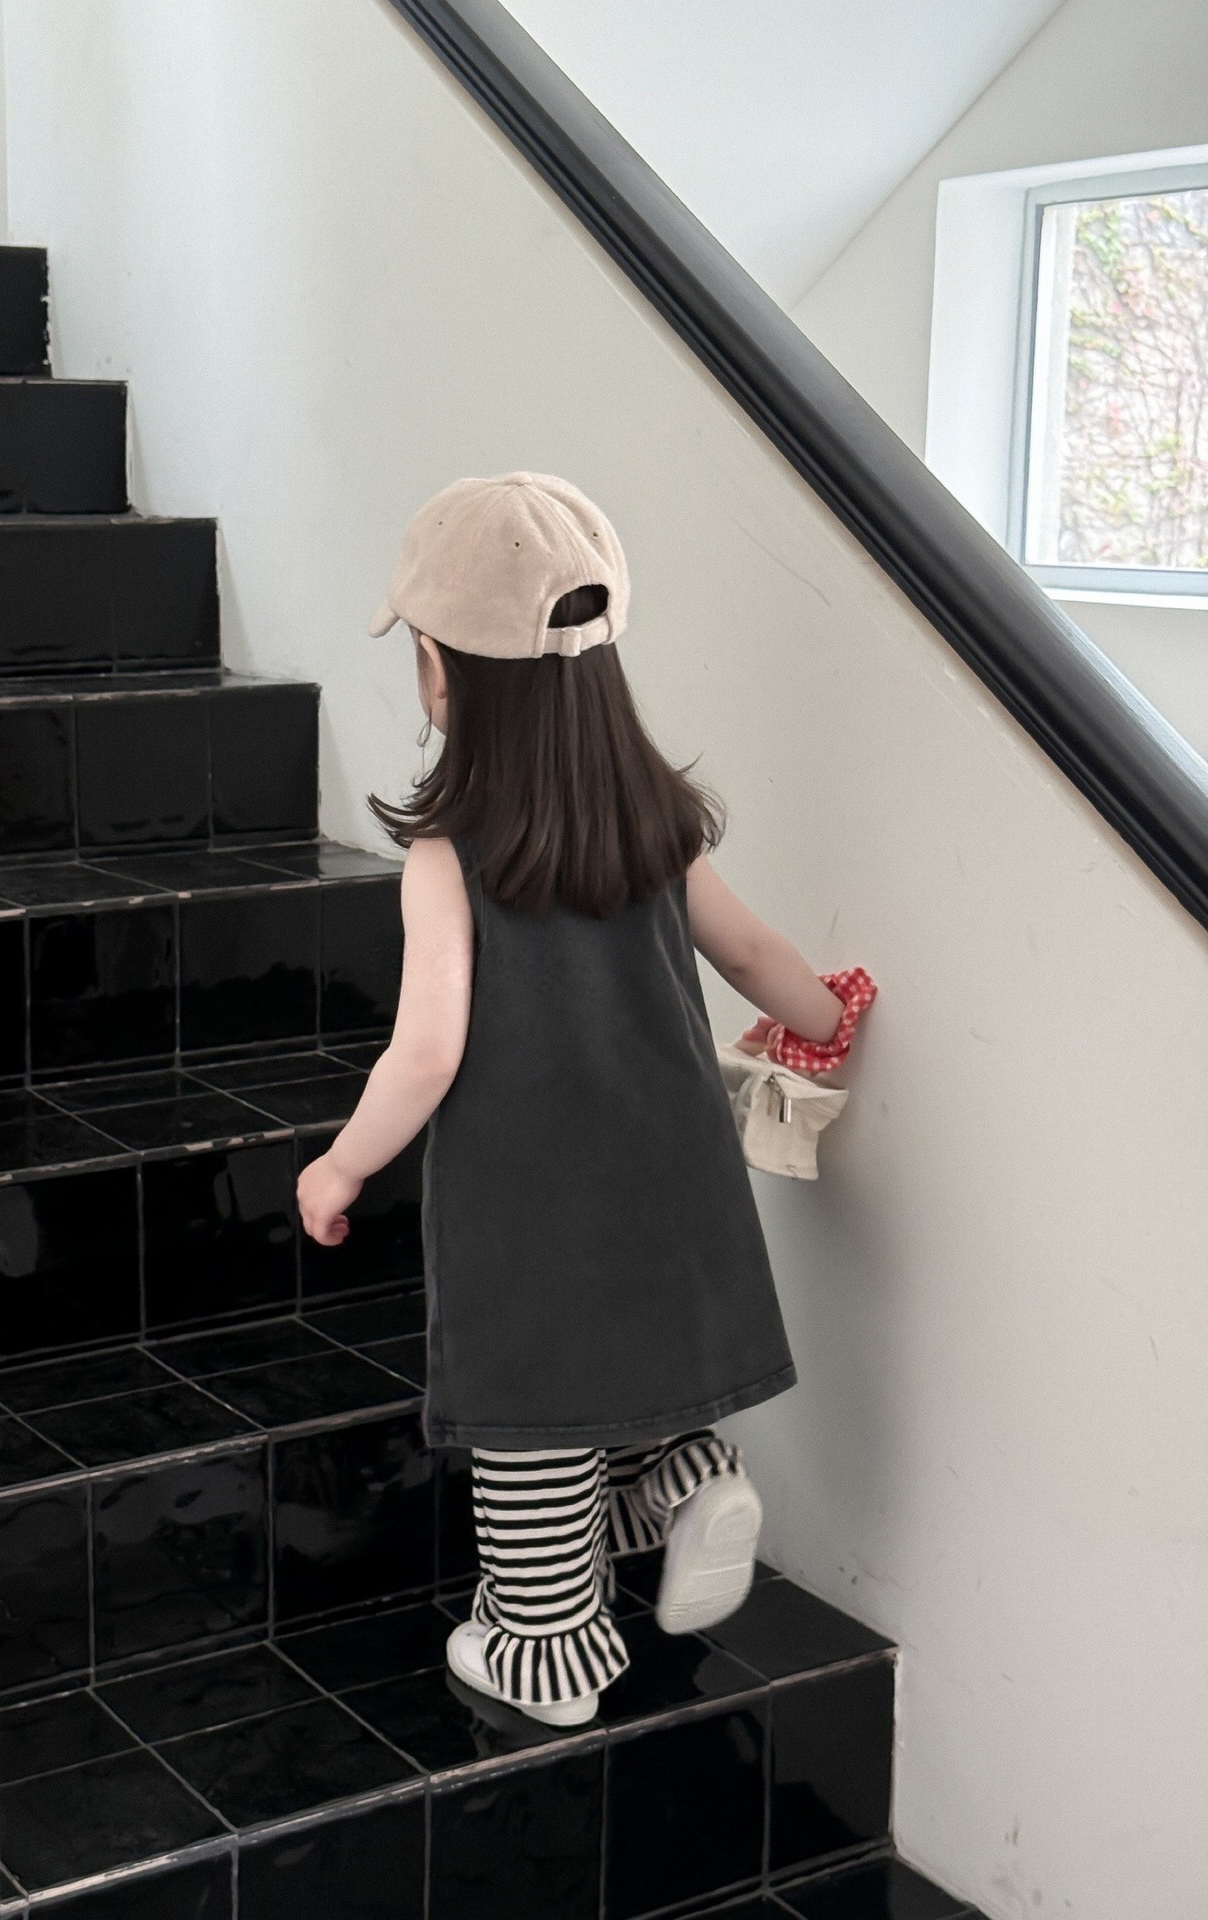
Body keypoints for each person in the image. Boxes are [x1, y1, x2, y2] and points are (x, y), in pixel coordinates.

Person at [297, 473, 870, 1728]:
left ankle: (544, 1647)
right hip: (676, 1172)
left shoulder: (448, 853)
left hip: (527, 1201)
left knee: (535, 1422)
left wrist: (338, 1167)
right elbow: (752, 955)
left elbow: (425, 1053)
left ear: (440, 673)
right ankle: (688, 1479)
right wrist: (829, 1022)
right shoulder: (657, 822)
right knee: (627, 1371)